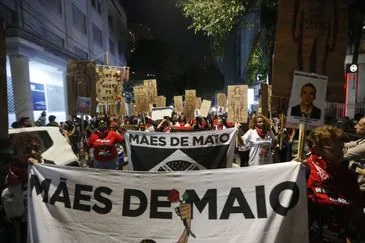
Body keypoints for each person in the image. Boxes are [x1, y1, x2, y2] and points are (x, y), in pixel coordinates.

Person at [304, 125, 363, 242]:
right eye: (334, 149)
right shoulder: (304, 170)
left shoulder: (348, 175)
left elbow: (357, 211)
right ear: (316, 148)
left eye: (342, 148)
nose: (341, 153)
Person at [1, 133, 42, 243]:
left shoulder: (48, 168)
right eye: (27, 150)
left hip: (40, 225)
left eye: (36, 149)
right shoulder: (6, 172)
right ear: (16, 153)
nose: (33, 153)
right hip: (17, 228)